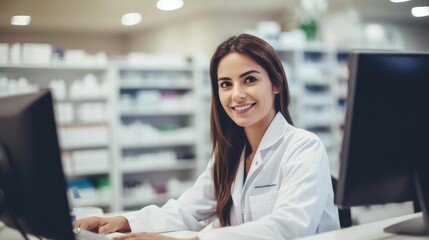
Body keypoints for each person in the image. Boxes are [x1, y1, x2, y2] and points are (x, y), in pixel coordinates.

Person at [73, 33, 340, 240]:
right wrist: (124, 221)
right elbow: (187, 210)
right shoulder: (229, 154)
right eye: (226, 84)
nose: (236, 94)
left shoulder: (303, 148)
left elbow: (289, 227)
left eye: (249, 80)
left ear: (277, 84)